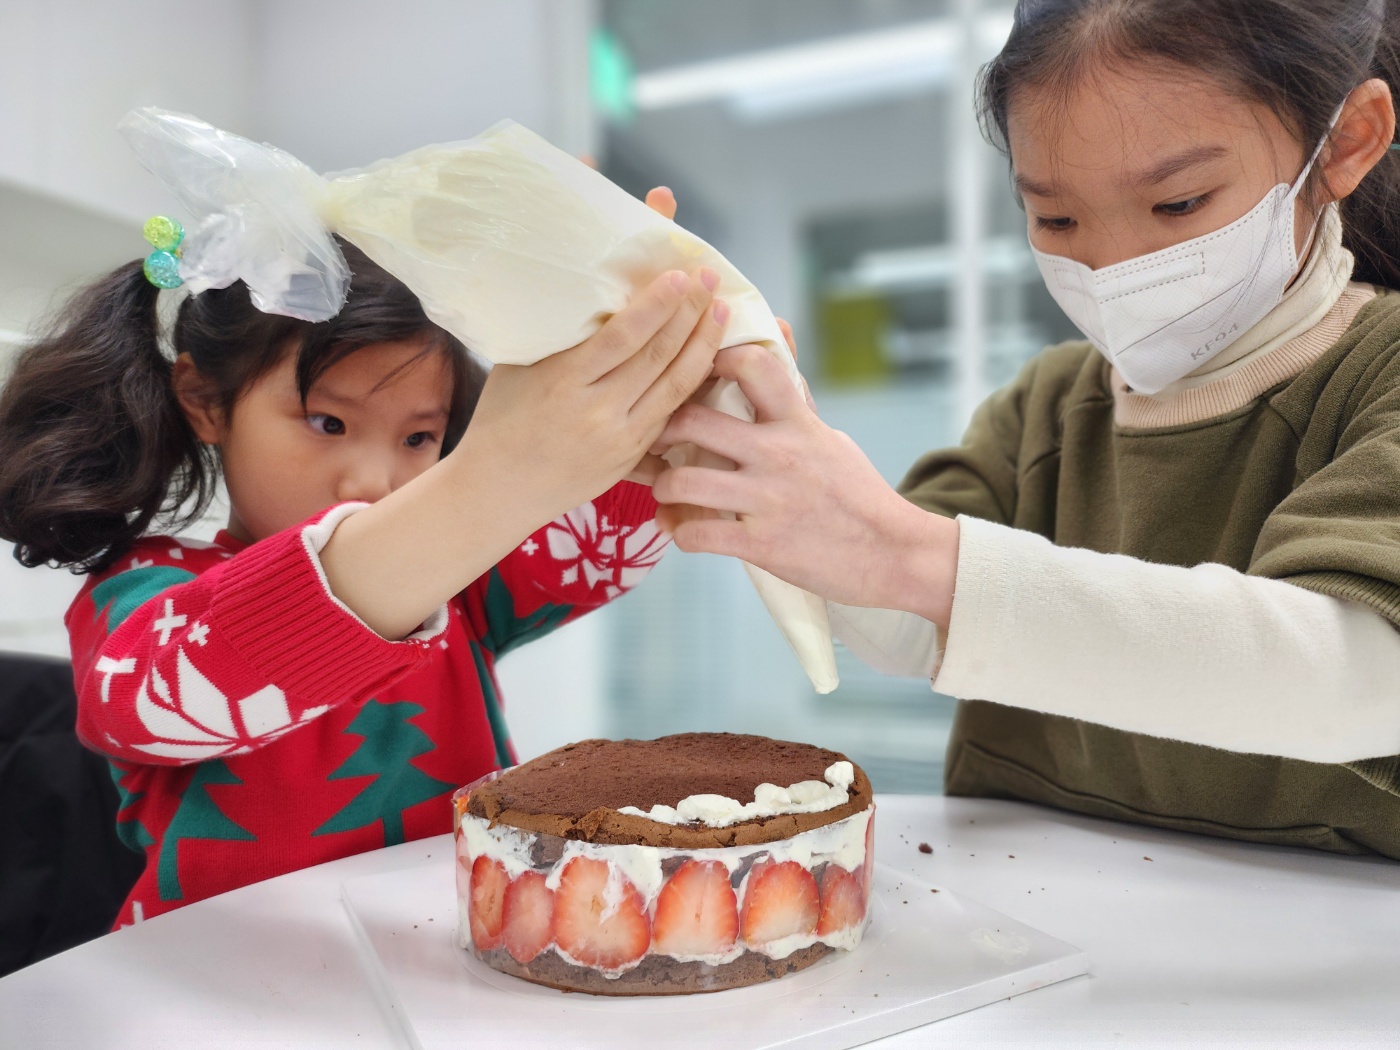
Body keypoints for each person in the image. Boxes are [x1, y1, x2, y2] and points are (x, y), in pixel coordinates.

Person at [652, 0, 1400, 858]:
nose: (1114, 268)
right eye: (1057, 219)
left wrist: (905, 553)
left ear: (1346, 144)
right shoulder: (1047, 406)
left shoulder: (1378, 378)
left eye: (1179, 203)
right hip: (1032, 916)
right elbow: (907, 622)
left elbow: (1360, 676)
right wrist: (759, 450)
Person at [0, 194, 728, 923]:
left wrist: (668, 403)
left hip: (446, 963)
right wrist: (489, 482)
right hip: (218, 980)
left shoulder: (460, 583)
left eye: (418, 438)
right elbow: (156, 700)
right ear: (204, 400)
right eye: (328, 422)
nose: (374, 481)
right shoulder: (143, 592)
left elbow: (599, 546)